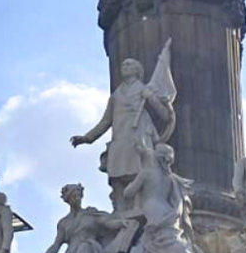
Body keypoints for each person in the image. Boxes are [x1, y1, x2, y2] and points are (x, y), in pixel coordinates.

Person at [72, 42, 175, 217]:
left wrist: (152, 98)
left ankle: (138, 205)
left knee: (138, 169)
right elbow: (105, 121)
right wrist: (87, 138)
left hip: (139, 135)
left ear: (137, 70)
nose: (124, 67)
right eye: (123, 64)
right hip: (120, 137)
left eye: (129, 64)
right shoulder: (116, 95)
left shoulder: (144, 90)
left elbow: (163, 115)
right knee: (117, 173)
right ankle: (121, 208)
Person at [125, 143, 208, 253]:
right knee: (169, 240)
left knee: (158, 243)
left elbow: (128, 193)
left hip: (153, 209)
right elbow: (177, 201)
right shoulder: (172, 178)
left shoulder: (146, 173)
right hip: (168, 210)